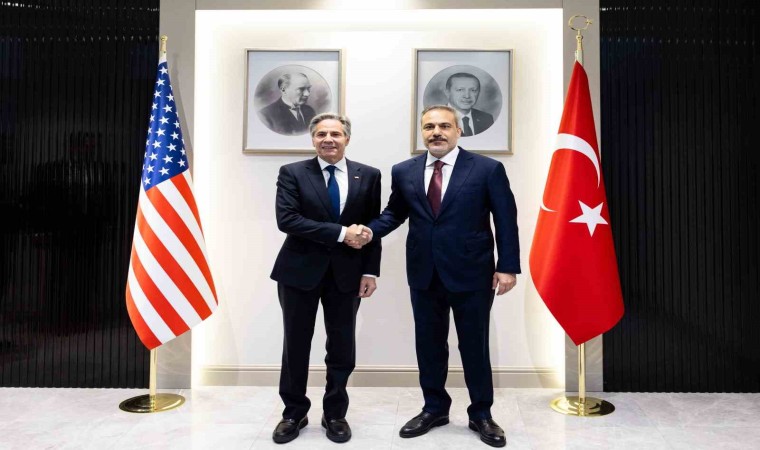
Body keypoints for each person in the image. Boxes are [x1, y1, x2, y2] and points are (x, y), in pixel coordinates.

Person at [349, 105, 519, 448]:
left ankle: (481, 413)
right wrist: (368, 231)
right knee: (428, 344)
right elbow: (394, 213)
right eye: (429, 127)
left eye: (444, 126)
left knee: (474, 344)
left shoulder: (487, 169)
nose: (436, 132)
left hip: (473, 272)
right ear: (422, 132)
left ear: (459, 131)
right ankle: (435, 408)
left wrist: (507, 266)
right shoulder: (404, 170)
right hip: (424, 271)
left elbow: (505, 218)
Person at [270, 113, 382, 444]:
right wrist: (342, 233)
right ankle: (293, 412)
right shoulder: (292, 172)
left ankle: (335, 413)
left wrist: (370, 270)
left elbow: (372, 227)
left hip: (348, 275)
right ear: (313, 139)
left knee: (342, 346)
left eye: (335, 133)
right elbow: (287, 219)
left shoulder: (369, 175)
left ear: (347, 138)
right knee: (296, 344)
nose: (328, 139)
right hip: (298, 272)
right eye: (321, 134)